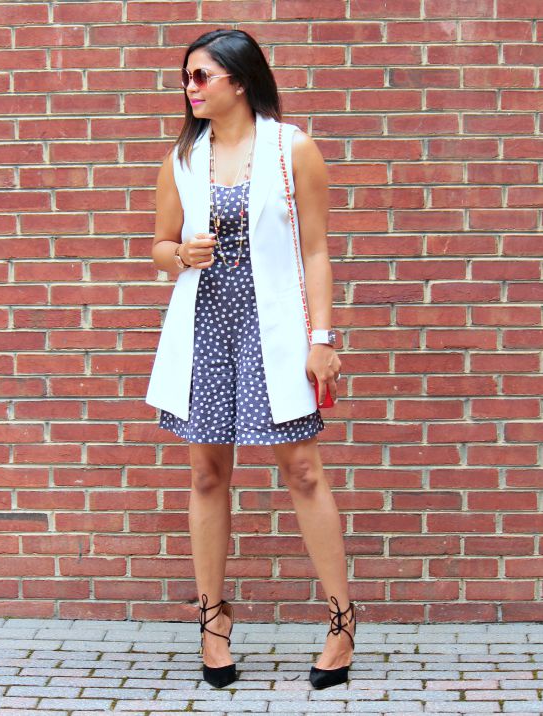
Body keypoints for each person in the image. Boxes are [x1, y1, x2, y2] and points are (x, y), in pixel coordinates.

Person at [146, 28, 355, 690]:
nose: (190, 88)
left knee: (303, 471)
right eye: (186, 77)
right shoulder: (184, 157)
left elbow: (316, 249)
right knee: (207, 474)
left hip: (277, 331)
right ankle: (213, 623)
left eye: (201, 75)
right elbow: (158, 244)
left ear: (239, 80)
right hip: (206, 328)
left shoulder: (292, 149)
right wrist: (181, 254)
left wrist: (322, 338)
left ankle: (342, 622)